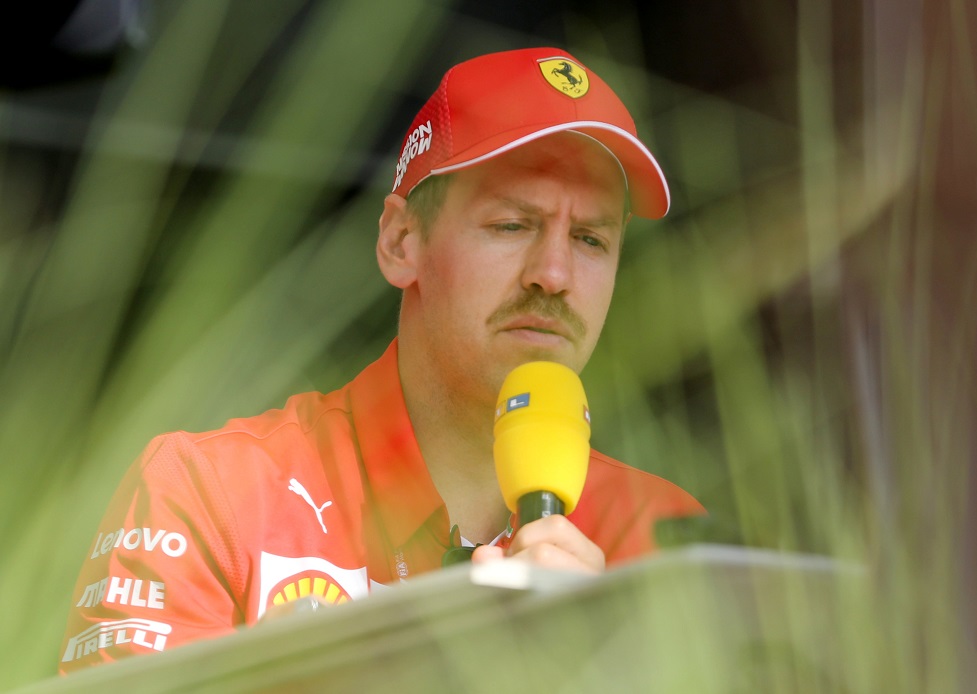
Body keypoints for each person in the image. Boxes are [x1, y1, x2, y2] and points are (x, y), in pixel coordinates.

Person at [58, 46, 704, 673]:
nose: (554, 274)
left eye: (590, 238)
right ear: (401, 241)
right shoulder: (208, 492)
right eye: (512, 224)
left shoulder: (669, 539)